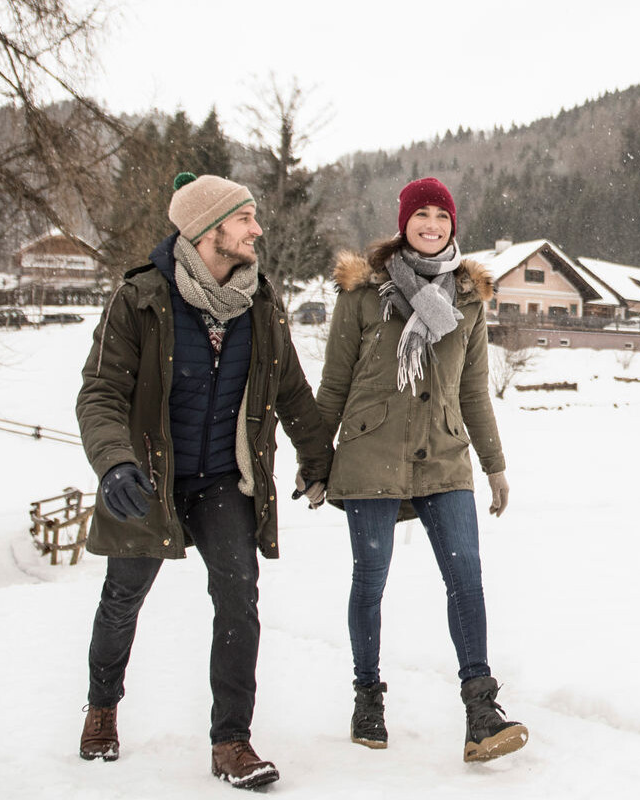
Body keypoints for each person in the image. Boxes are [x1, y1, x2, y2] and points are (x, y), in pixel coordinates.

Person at [75, 172, 332, 790]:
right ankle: (102, 707)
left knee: (239, 598)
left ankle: (232, 742)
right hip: (148, 477)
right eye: (245, 219)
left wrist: (318, 457)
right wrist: (114, 464)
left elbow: (292, 391)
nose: (257, 230)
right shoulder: (139, 299)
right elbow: (101, 392)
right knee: (122, 599)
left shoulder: (261, 304)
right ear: (208, 229)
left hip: (223, 478)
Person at [311, 176, 527, 763]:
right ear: (403, 222)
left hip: (445, 456)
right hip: (368, 456)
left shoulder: (468, 299)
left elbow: (474, 393)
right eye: (421, 214)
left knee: (467, 579)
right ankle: (367, 695)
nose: (431, 224)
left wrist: (496, 467)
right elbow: (333, 385)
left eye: (441, 215)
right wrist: (315, 462)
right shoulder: (363, 294)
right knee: (371, 579)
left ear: (453, 225)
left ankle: (481, 709)